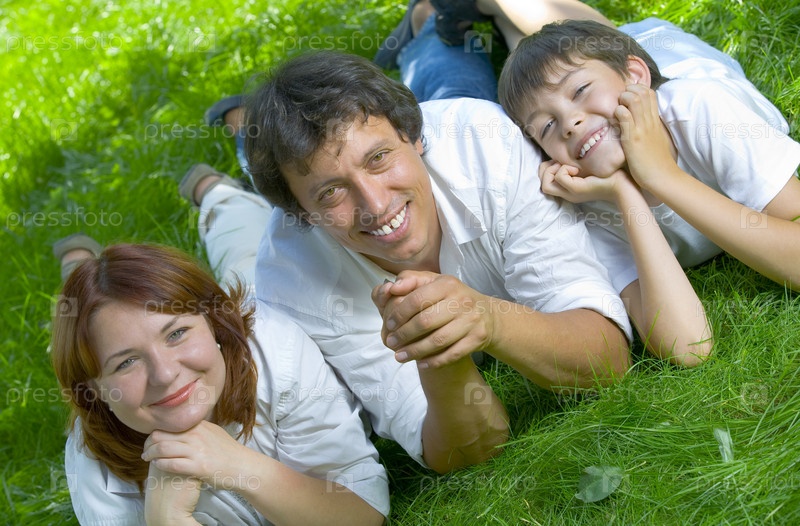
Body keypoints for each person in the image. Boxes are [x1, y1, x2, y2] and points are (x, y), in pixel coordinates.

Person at [242, 1, 636, 474]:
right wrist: (434, 351)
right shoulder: (293, 283)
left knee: (451, 79)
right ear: (302, 215)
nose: (375, 205)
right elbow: (466, 451)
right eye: (330, 192)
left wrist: (489, 319)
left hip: (458, 126)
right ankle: (218, 187)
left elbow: (606, 358)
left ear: (415, 135)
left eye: (379, 158)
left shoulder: (485, 142)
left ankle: (428, 24)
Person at [50, 176, 389, 525]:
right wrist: (167, 519)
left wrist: (238, 467)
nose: (165, 375)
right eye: (127, 363)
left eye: (177, 334)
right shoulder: (94, 466)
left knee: (244, 255)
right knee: (88, 313)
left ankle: (216, 193)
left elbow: (362, 513)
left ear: (213, 323)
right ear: (96, 390)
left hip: (257, 300)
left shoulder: (277, 350)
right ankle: (78, 268)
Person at [497, 19, 800, 363]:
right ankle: (502, 23)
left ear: (634, 76)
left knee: (544, 19)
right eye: (547, 126)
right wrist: (624, 193)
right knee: (533, 60)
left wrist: (662, 176)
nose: (570, 124)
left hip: (670, 52)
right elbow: (687, 347)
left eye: (580, 91)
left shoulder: (702, 109)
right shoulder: (583, 206)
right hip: (617, 71)